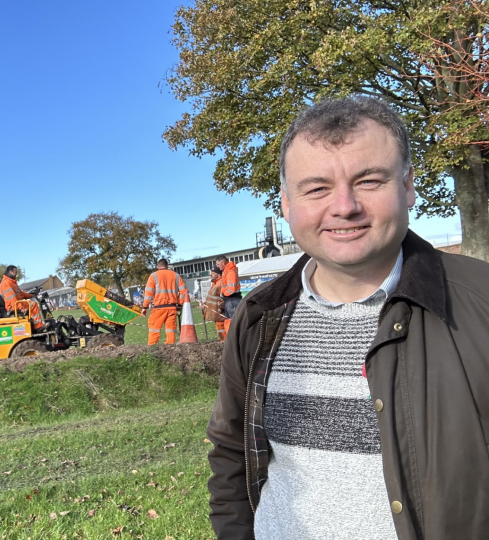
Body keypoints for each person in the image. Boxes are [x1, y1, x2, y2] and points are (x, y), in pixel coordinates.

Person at [206, 95, 489, 539]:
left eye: (369, 180)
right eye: (316, 188)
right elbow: (230, 453)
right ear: (285, 203)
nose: (344, 206)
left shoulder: (481, 303)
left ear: (409, 185)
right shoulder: (260, 315)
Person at [141, 258, 190, 344]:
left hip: (159, 308)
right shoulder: (176, 275)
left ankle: (152, 349)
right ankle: (170, 349)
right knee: (171, 331)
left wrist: (144, 307)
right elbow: (184, 291)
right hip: (172, 308)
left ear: (157, 266)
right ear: (167, 266)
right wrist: (179, 304)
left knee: (154, 330)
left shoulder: (153, 276)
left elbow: (148, 293)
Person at [0, 265, 45, 332]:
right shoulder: (6, 283)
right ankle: (38, 327)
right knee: (33, 304)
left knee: (30, 304)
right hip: (11, 307)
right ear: (10, 272)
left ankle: (33, 326)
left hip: (14, 305)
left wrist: (31, 295)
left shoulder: (11, 282)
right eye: (15, 272)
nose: (16, 274)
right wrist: (21, 307)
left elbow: (21, 294)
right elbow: (12, 298)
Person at [215, 254, 241, 337]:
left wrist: (223, 294)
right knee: (229, 320)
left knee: (231, 321)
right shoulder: (227, 272)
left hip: (232, 300)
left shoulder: (230, 272)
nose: (217, 266)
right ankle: (230, 338)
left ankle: (233, 338)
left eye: (218, 264)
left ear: (223, 263)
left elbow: (231, 289)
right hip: (230, 300)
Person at [201, 266, 227, 342]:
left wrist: (220, 308)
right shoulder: (215, 283)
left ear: (218, 274)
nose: (211, 274)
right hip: (215, 313)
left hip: (219, 313)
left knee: (222, 328)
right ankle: (223, 342)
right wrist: (204, 305)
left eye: (213, 273)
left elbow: (224, 297)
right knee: (220, 329)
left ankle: (225, 343)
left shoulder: (220, 283)